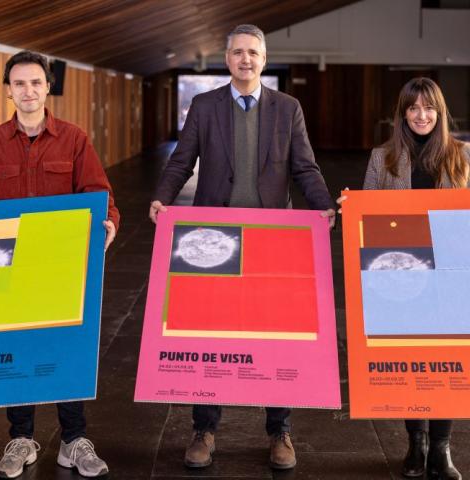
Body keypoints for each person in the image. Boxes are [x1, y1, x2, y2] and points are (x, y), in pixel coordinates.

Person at [150, 24, 335, 470]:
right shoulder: (204, 104)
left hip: (274, 240)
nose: (245, 59)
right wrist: (162, 197)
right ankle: (204, 429)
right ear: (227, 58)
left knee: (277, 335)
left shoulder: (288, 108)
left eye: (253, 52)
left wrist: (324, 207)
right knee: (211, 333)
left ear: (264, 58)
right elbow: (182, 159)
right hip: (217, 238)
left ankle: (280, 431)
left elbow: (305, 167)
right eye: (237, 52)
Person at [0, 50, 120, 479]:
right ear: (8, 91)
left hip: (60, 267)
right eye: (19, 83)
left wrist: (109, 224)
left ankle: (73, 441)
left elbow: (98, 192)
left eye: (35, 82)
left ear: (48, 87)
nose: (28, 90)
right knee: (17, 347)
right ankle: (21, 439)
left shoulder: (74, 138)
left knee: (67, 346)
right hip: (7, 270)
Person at [360, 77, 467, 480]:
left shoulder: (462, 156)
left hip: (451, 279)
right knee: (408, 360)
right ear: (402, 114)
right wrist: (348, 207)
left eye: (429, 108)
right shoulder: (381, 158)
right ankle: (416, 443)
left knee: (448, 364)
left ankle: (442, 449)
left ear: (439, 113)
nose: (421, 115)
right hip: (400, 279)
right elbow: (366, 216)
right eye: (412, 108)